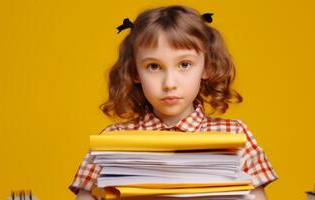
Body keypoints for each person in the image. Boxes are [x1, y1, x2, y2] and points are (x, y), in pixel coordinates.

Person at [69, 5, 278, 200]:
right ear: (134, 72)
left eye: (184, 64)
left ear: (207, 67)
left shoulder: (235, 136)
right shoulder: (112, 141)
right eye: (153, 66)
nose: (169, 83)